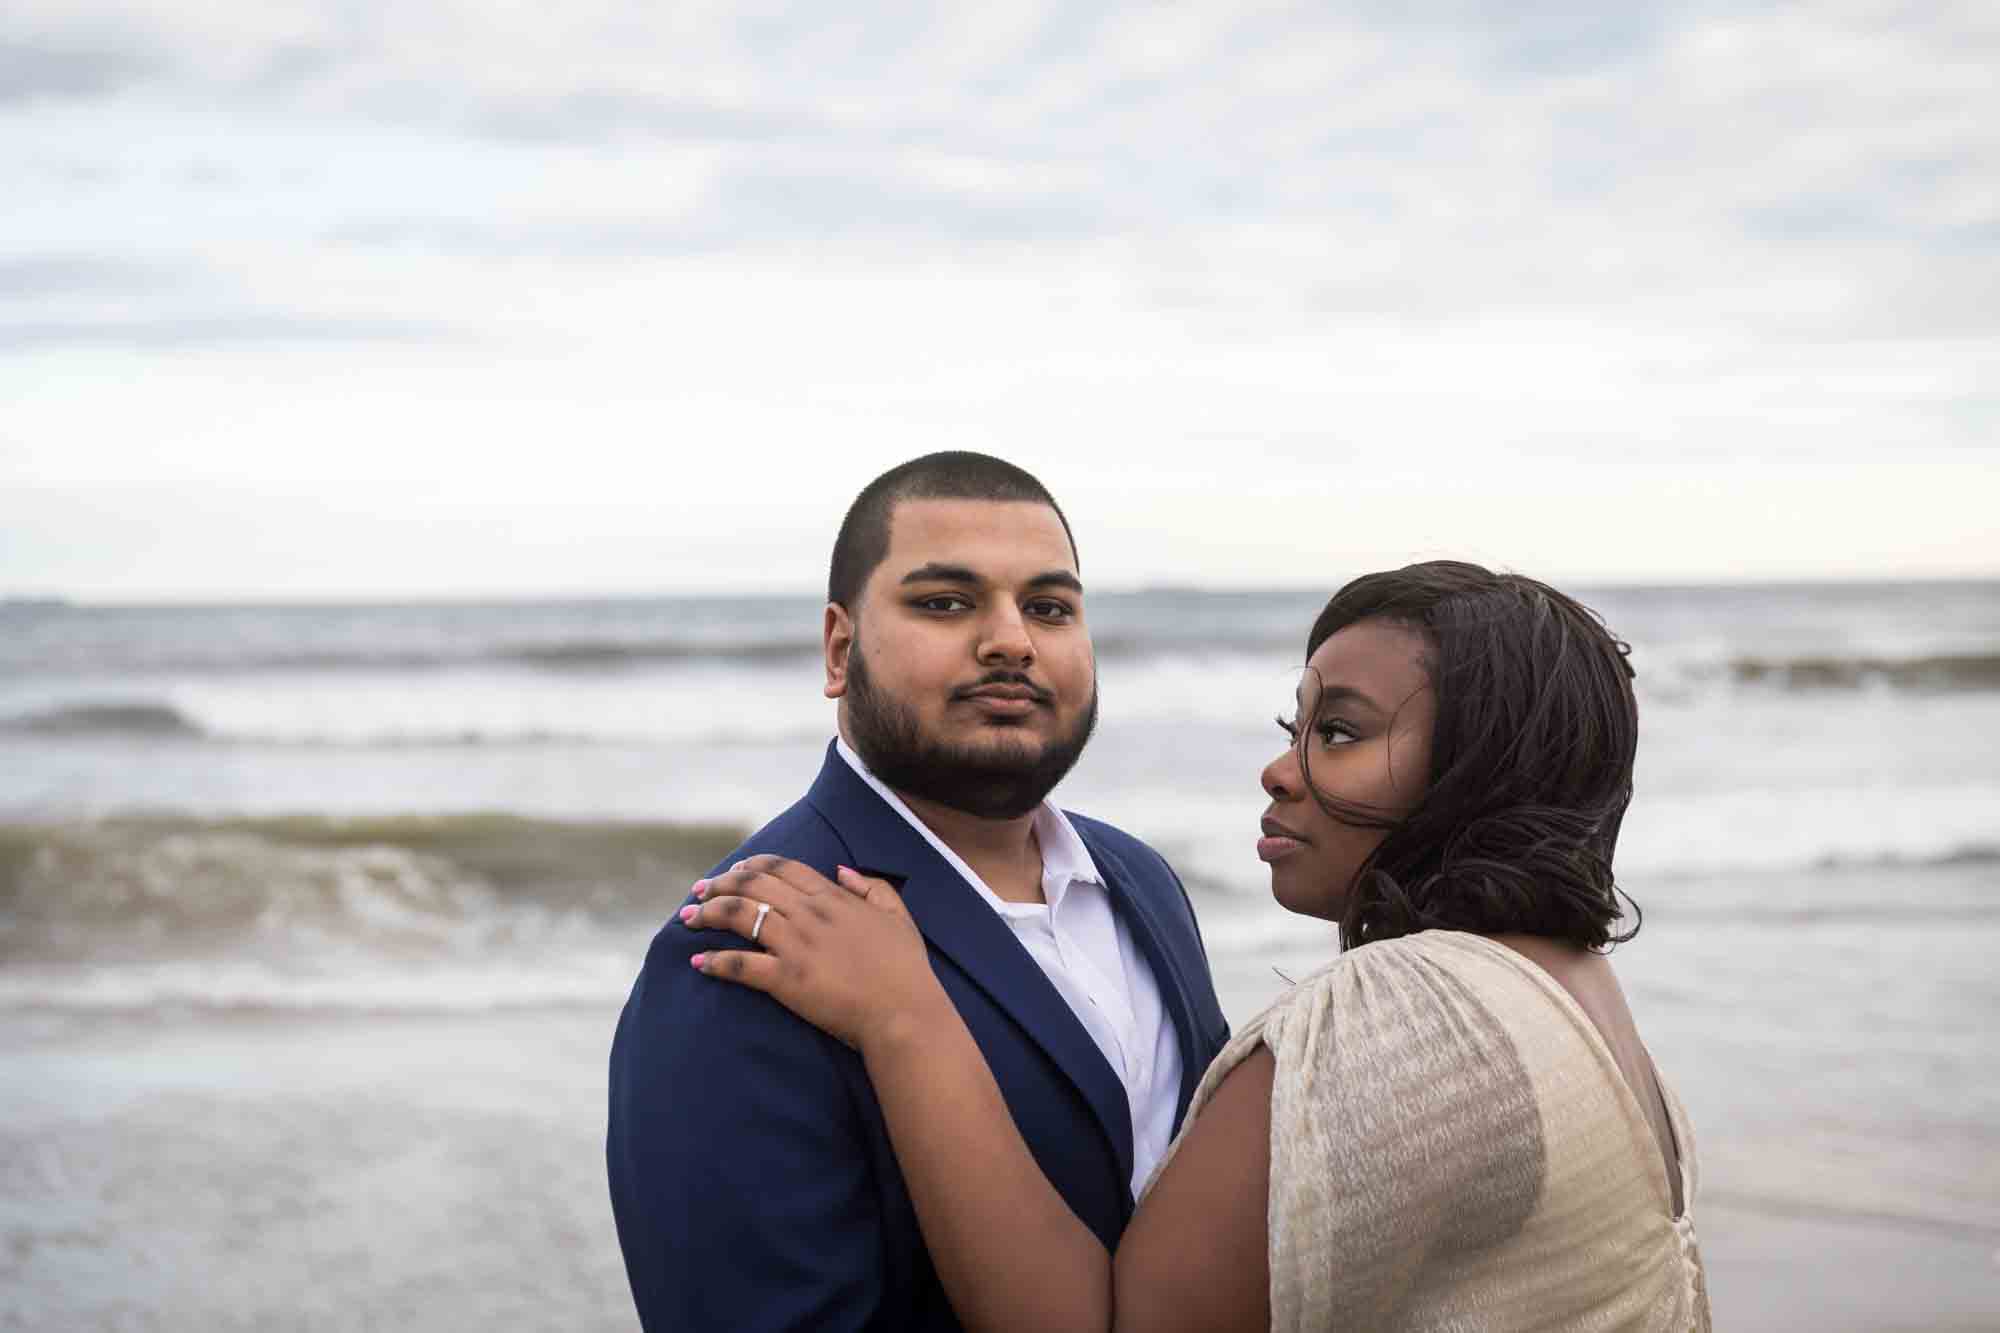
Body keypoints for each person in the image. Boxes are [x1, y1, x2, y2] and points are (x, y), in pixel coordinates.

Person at [682, 561, 1713, 1332]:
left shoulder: (1402, 1012)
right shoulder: (1572, 989)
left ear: (1477, 771)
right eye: (1294, 724)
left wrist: (901, 1014)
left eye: (1340, 733)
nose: (1280, 769)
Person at [606, 452, 1231, 1331]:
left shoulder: (1145, 884)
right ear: (838, 647)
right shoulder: (748, 943)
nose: (1012, 639)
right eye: (946, 602)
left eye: (1049, 607)